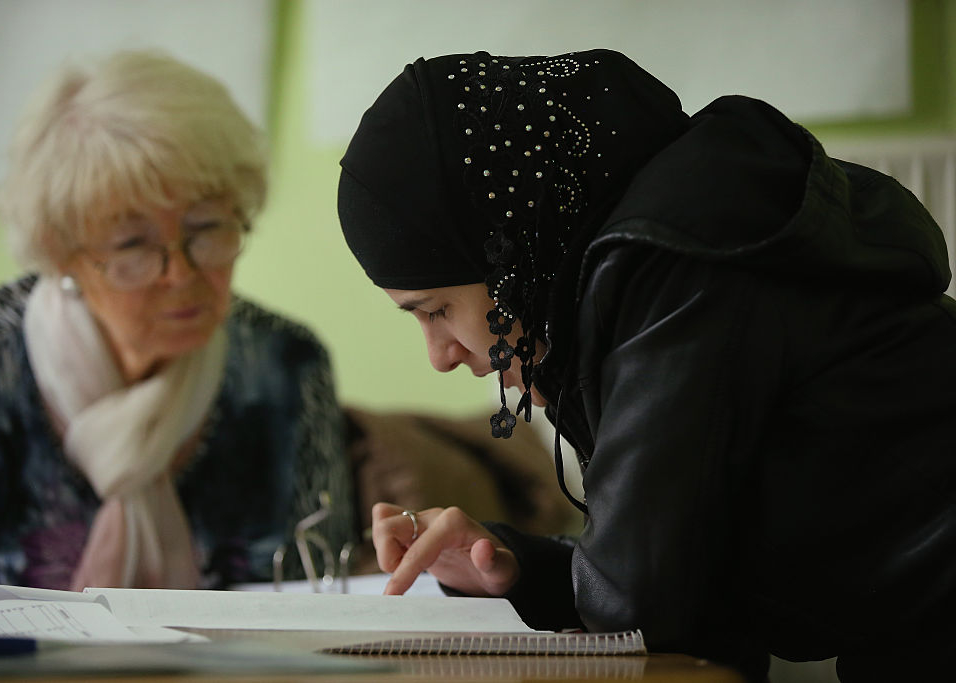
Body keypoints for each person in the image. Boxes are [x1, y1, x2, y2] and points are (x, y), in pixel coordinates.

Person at [336, 49, 956, 681]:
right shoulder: (655, 251)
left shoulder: (672, 264)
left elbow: (644, 609)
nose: (439, 356)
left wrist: (571, 576)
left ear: (509, 256)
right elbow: (677, 568)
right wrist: (514, 562)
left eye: (436, 309)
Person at [0, 50, 354, 594]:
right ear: (62, 254)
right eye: (132, 244)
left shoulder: (287, 365)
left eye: (206, 228)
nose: (180, 273)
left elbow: (326, 594)